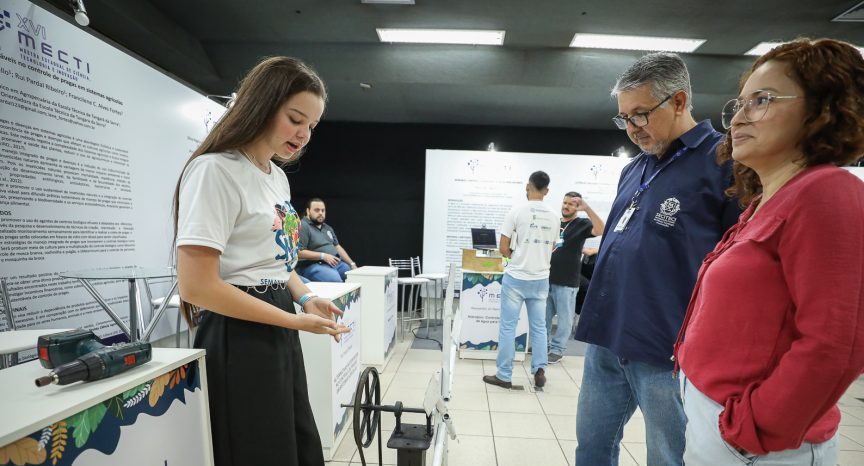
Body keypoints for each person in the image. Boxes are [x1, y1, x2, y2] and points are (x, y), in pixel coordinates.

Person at [673, 38, 864, 466]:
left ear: (823, 107)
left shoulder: (827, 193)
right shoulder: (767, 200)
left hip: (758, 444)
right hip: (719, 420)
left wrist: (756, 429)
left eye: (762, 100)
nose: (738, 118)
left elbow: (837, 343)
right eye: (739, 104)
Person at [173, 56, 350, 466]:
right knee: (257, 446)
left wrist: (305, 298)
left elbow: (276, 261)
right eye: (295, 119)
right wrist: (291, 320)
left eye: (312, 127)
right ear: (263, 104)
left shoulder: (275, 176)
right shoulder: (214, 171)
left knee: (294, 437)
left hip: (278, 321)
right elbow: (197, 286)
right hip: (239, 332)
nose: (303, 135)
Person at [573, 52, 740, 465]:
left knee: (668, 458)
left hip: (668, 348)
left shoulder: (725, 162)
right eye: (624, 118)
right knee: (592, 449)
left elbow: (739, 263)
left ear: (679, 101)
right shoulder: (635, 168)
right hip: (607, 337)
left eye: (641, 115)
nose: (631, 128)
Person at [482, 171, 559, 389]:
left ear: (528, 186)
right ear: (547, 191)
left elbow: (503, 249)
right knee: (540, 327)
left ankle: (504, 375)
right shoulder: (554, 216)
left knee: (508, 327)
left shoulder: (516, 212)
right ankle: (540, 369)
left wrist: (516, 253)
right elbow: (553, 246)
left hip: (516, 277)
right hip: (541, 278)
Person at [545, 192, 604, 364]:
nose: (566, 206)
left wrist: (587, 209)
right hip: (547, 278)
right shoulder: (555, 223)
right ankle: (545, 346)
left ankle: (557, 350)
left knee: (564, 319)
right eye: (564, 202)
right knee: (544, 318)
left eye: (571, 204)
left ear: (577, 207)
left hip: (567, 282)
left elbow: (600, 229)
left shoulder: (582, 224)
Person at [296, 198, 358, 282]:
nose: (320, 213)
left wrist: (352, 264)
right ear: (308, 211)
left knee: (354, 277)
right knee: (335, 280)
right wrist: (323, 256)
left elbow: (337, 247)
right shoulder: (303, 226)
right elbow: (298, 252)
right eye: (317, 210)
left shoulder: (327, 227)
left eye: (323, 210)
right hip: (312, 265)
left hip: (334, 264)